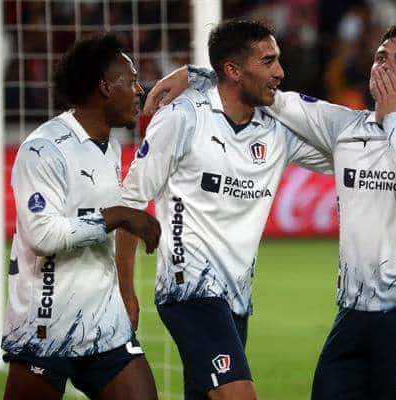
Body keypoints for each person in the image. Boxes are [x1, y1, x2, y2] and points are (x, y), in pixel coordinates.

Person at [146, 25, 396, 400]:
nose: (386, 65)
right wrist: (198, 74)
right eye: (381, 57)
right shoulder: (344, 128)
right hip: (353, 316)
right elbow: (272, 96)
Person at [115, 20, 334, 400]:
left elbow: (344, 154)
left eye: (278, 60)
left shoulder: (277, 128)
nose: (280, 72)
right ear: (233, 70)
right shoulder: (183, 119)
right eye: (268, 62)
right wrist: (125, 291)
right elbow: (130, 204)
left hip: (236, 296)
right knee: (238, 394)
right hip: (189, 291)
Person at [2, 34, 161, 400]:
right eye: (130, 79)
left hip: (104, 324)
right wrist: (119, 215)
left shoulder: (111, 146)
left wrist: (125, 290)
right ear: (105, 87)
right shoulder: (43, 149)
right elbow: (43, 235)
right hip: (45, 328)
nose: (139, 89)